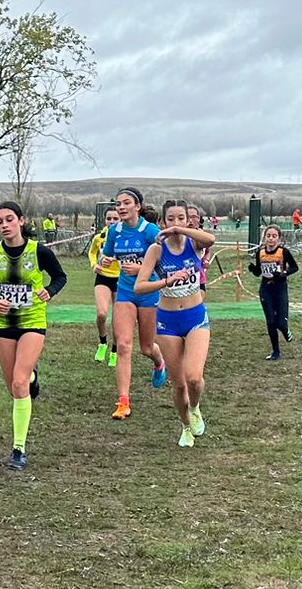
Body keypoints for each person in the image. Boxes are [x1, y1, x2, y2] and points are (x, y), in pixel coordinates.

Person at [0, 202, 66, 469]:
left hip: (32, 321)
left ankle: (18, 448)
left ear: (21, 221)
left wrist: (49, 291)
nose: (4, 225)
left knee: (19, 382)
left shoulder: (39, 251)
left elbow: (60, 277)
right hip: (5, 324)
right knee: (13, 387)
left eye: (9, 219)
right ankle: (32, 376)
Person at [130, 203, 217, 447]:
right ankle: (186, 427)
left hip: (195, 317)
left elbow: (211, 239)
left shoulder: (194, 243)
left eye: (180, 218)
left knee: (194, 378)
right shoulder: (156, 250)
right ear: (163, 222)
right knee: (179, 384)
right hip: (168, 321)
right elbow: (139, 286)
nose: (175, 223)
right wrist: (166, 281)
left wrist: (182, 230)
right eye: (171, 219)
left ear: (188, 221)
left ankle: (195, 408)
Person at [103, 188, 165, 420]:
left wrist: (141, 268)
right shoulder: (114, 231)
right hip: (125, 292)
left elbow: (165, 259)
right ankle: (123, 402)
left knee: (146, 348)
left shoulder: (150, 231)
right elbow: (108, 254)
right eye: (118, 203)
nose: (121, 207)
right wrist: (105, 260)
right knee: (123, 345)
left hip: (148, 292)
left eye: (126, 203)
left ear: (137, 206)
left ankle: (159, 363)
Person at [247, 225, 299, 361]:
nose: (271, 239)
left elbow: (295, 267)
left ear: (279, 239)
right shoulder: (260, 253)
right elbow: (259, 272)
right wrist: (253, 269)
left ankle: (285, 330)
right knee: (270, 321)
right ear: (264, 238)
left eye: (274, 236)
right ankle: (276, 352)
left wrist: (284, 273)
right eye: (268, 236)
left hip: (280, 288)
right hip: (266, 289)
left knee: (280, 323)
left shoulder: (283, 252)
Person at [85, 218, 120, 365]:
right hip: (103, 278)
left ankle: (114, 351)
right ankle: (102, 342)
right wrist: (94, 265)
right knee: (102, 314)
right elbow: (92, 252)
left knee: (118, 319)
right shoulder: (99, 237)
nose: (112, 221)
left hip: (121, 280)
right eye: (109, 218)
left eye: (115, 219)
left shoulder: (125, 237)